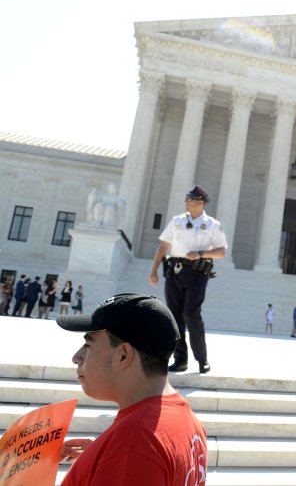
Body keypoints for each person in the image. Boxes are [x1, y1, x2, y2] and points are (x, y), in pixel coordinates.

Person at [56, 293, 207, 485]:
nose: (76, 357)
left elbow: (140, 454)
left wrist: (122, 459)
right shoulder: (187, 419)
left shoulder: (134, 445)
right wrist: (104, 461)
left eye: (88, 345)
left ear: (123, 356)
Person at [149, 185, 227, 374]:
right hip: (174, 272)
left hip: (197, 274)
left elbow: (221, 252)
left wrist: (201, 253)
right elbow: (163, 246)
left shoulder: (212, 224)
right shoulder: (176, 221)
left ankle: (202, 359)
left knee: (192, 315)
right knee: (174, 318)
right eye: (186, 199)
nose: (186, 202)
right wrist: (154, 270)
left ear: (200, 203)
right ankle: (180, 360)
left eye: (189, 199)